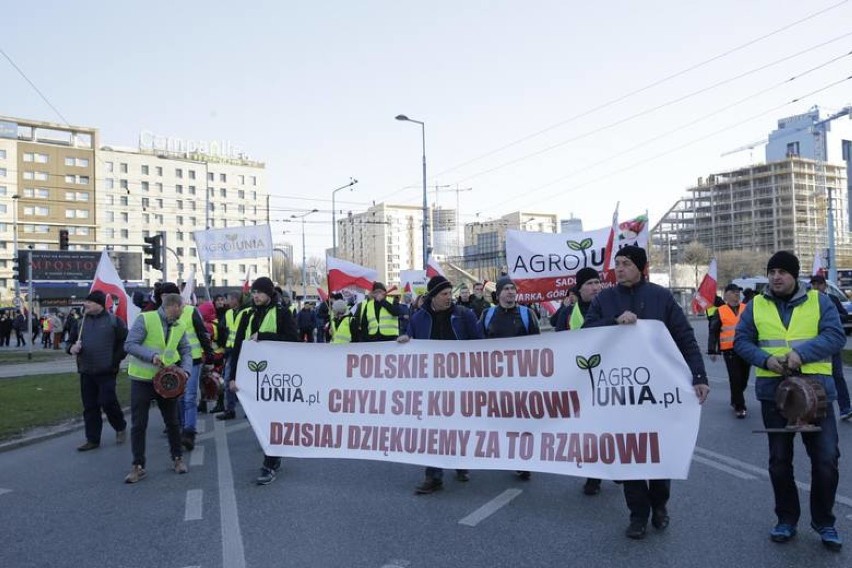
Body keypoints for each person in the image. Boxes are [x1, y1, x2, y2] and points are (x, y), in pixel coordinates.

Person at [584, 245, 710, 540]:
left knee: (658, 452)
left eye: (626, 263)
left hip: (657, 390)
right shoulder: (605, 298)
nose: (620, 268)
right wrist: (614, 323)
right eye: (617, 264)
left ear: (640, 267)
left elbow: (684, 338)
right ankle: (638, 515)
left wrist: (699, 375)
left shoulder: (661, 297)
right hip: (620, 391)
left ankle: (660, 504)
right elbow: (587, 334)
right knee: (630, 455)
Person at [735, 252, 844, 551]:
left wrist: (801, 354)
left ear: (795, 276)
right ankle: (786, 519)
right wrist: (766, 359)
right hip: (775, 396)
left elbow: (835, 336)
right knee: (779, 463)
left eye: (782, 271)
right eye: (772, 271)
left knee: (826, 462)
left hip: (816, 396)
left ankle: (824, 522)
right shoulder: (755, 305)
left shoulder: (820, 302)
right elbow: (742, 341)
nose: (776, 277)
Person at [400, 275, 483, 494]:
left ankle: (461, 463)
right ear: (433, 297)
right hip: (431, 384)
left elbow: (479, 345)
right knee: (433, 429)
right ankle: (433, 476)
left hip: (460, 381)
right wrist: (404, 342)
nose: (449, 297)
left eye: (450, 294)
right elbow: (410, 341)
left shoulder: (464, 315)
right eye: (444, 294)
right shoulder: (418, 318)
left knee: (458, 426)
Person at [228, 276, 299, 485]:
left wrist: (266, 336)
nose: (255, 296)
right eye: (253, 293)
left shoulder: (282, 313)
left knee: (273, 418)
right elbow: (238, 348)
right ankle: (274, 456)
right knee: (259, 418)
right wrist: (233, 377)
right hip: (253, 376)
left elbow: (293, 340)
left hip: (277, 375)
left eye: (259, 292)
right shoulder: (246, 315)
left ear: (269, 293)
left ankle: (269, 464)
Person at [123, 292, 192, 483]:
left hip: (168, 382)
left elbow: (186, 350)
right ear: (173, 306)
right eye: (182, 307)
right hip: (142, 379)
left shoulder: (180, 325)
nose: (184, 310)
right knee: (139, 424)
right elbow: (129, 345)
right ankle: (138, 466)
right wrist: (151, 355)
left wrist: (185, 371)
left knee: (172, 422)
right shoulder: (145, 319)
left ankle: (177, 459)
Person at [479, 276, 540, 481]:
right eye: (506, 289)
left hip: (522, 379)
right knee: (500, 419)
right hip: (495, 380)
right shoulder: (487, 315)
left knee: (521, 421)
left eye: (513, 289)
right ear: (498, 294)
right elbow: (477, 343)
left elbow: (540, 345)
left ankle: (522, 461)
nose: (511, 292)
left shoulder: (526, 314)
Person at [558, 268, 607, 494]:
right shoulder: (568, 314)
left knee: (613, 428)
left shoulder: (612, 307)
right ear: (579, 288)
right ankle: (593, 475)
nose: (595, 287)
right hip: (580, 381)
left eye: (598, 282)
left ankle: (618, 467)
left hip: (609, 379)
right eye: (589, 283)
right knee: (589, 431)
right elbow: (558, 348)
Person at [67, 291, 128, 451]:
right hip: (86, 370)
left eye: (89, 302)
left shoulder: (114, 321)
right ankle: (92, 439)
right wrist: (72, 348)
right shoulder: (80, 323)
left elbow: (124, 343)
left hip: (107, 371)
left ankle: (120, 425)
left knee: (107, 402)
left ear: (99, 304)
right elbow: (70, 342)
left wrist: (114, 361)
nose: (86, 305)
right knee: (90, 406)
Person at [809, 275, 852, 421]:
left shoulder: (832, 299)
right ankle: (815, 409)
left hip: (832, 344)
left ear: (824, 285)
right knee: (817, 379)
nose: (816, 287)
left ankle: (845, 408)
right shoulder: (807, 300)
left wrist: (832, 316)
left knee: (838, 376)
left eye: (818, 284)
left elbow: (845, 316)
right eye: (813, 284)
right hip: (815, 345)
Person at [708, 283, 751, 418]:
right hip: (730, 351)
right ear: (726, 295)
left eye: (738, 292)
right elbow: (713, 331)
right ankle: (740, 406)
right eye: (733, 292)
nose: (736, 294)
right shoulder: (720, 311)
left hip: (745, 349)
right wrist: (712, 350)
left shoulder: (747, 308)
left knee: (743, 379)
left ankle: (735, 398)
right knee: (735, 378)